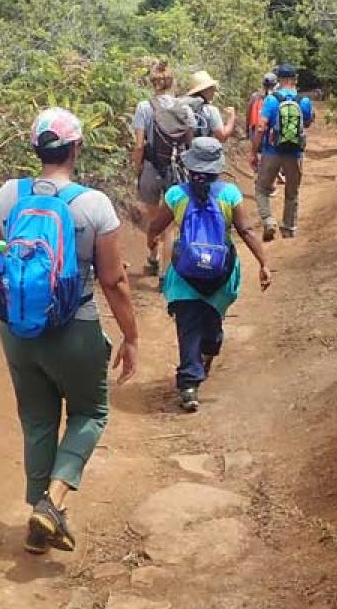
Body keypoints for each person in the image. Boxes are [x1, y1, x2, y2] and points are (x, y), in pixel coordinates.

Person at [0, 108, 140, 556]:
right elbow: (113, 281)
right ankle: (51, 504)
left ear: (36, 149)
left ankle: (39, 520)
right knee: (90, 413)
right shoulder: (93, 205)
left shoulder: (6, 196)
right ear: (76, 148)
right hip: (75, 326)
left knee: (37, 420)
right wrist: (131, 336)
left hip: (17, 329)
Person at [144, 137, 274, 412]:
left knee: (188, 327)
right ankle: (205, 356)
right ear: (217, 168)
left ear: (190, 167)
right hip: (221, 273)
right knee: (212, 326)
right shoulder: (230, 194)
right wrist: (263, 263)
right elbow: (246, 231)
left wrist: (151, 239)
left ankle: (189, 386)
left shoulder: (176, 195)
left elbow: (156, 226)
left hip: (185, 273)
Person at [132, 61, 194, 275]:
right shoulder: (184, 108)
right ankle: (165, 274)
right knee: (169, 226)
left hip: (151, 167)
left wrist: (137, 168)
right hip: (176, 168)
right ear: (171, 82)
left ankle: (153, 256)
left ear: (153, 83)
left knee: (153, 218)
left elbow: (139, 144)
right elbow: (190, 142)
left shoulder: (143, 107)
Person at [250, 64, 315, 241]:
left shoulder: (271, 100)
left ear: (278, 79)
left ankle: (269, 220)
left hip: (272, 151)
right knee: (292, 192)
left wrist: (254, 151)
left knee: (261, 189)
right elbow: (308, 123)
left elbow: (261, 126)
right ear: (295, 79)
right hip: (294, 153)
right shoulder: (304, 101)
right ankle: (288, 228)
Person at [184, 70, 237, 142]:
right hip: (204, 151)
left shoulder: (184, 107)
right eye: (211, 88)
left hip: (186, 151)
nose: (213, 90)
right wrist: (231, 117)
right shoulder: (210, 110)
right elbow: (222, 137)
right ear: (204, 90)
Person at [245, 72, 278, 155]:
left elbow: (248, 113)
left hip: (254, 131)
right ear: (275, 84)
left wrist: (247, 130)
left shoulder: (254, 96)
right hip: (270, 133)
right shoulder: (277, 98)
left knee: (256, 154)